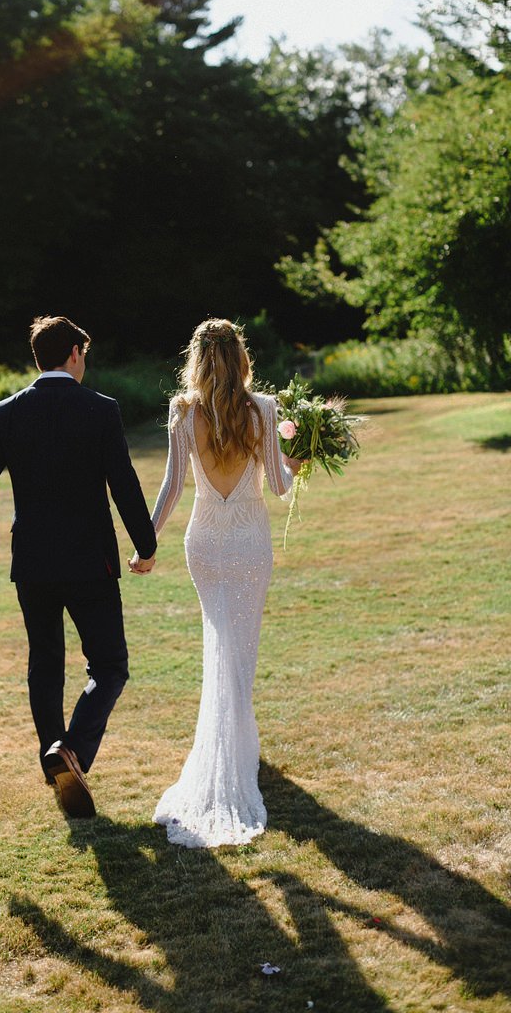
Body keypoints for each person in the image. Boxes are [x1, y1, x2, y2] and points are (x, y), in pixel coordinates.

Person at [0, 315, 157, 819]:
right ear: (75, 352)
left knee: (45, 664)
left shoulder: (7, 412)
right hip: (90, 562)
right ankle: (70, 753)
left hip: (32, 563)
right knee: (111, 665)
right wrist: (145, 543)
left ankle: (56, 755)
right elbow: (123, 481)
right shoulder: (101, 409)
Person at [133, 318, 303, 847]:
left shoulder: (182, 411)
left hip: (204, 543)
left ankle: (235, 747)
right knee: (240, 645)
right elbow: (278, 486)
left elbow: (171, 486)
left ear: (198, 360)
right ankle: (236, 752)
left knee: (219, 642)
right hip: (250, 540)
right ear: (241, 357)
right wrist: (300, 458)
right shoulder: (266, 409)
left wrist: (147, 542)